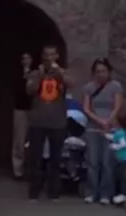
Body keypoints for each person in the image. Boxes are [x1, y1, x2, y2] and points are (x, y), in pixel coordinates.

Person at [25, 44, 72, 201]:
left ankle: (53, 192)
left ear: (57, 56)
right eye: (46, 55)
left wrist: (58, 72)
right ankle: (34, 192)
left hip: (57, 122)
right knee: (35, 158)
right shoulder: (35, 73)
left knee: (56, 158)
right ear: (42, 56)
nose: (49, 58)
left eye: (52, 55)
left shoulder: (61, 73)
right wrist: (39, 75)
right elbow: (30, 90)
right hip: (38, 121)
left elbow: (70, 83)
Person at [82, 58, 125, 204]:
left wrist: (109, 120)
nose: (100, 74)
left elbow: (118, 105)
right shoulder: (89, 87)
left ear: (109, 72)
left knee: (107, 161)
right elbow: (86, 108)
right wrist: (98, 120)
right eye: (97, 71)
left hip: (110, 127)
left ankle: (106, 193)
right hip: (93, 126)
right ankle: (91, 191)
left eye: (103, 71)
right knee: (93, 161)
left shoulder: (115, 86)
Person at [12, 52, 34, 180]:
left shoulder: (36, 73)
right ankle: (18, 170)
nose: (26, 61)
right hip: (20, 108)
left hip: (33, 109)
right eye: (24, 58)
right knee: (19, 140)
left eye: (28, 58)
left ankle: (30, 169)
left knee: (32, 140)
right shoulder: (17, 74)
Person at [106, 115, 126, 205]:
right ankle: (120, 194)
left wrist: (113, 146)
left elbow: (123, 144)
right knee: (119, 175)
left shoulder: (122, 132)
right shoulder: (121, 132)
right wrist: (105, 135)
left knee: (123, 177)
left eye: (115, 121)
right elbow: (114, 137)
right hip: (123, 159)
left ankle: (125, 194)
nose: (113, 123)